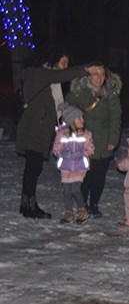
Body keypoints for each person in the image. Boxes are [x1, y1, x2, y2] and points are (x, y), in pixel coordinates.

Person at [16, 53, 100, 218]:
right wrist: (84, 70)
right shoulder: (42, 74)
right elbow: (61, 76)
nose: (65, 66)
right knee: (33, 167)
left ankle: (26, 203)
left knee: (33, 167)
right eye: (63, 62)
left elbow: (55, 106)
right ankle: (29, 206)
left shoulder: (46, 79)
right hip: (34, 129)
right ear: (53, 61)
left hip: (37, 129)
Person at [65, 65, 122, 218]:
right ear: (88, 75)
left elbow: (116, 117)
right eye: (95, 73)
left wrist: (113, 139)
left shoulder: (111, 93)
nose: (99, 77)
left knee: (99, 176)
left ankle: (94, 204)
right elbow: (67, 108)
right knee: (84, 176)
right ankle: (82, 205)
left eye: (102, 74)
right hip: (83, 141)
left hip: (103, 141)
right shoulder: (78, 92)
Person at [52, 103, 95, 225]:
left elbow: (90, 148)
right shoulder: (62, 134)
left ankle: (82, 209)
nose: (82, 120)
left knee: (76, 189)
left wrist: (83, 154)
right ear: (71, 121)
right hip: (66, 166)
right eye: (79, 118)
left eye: (82, 117)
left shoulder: (86, 134)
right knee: (66, 190)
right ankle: (68, 211)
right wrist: (61, 152)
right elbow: (56, 148)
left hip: (79, 166)